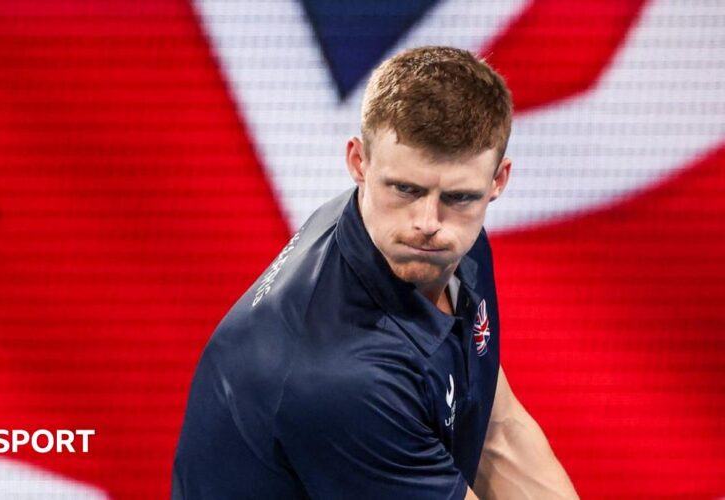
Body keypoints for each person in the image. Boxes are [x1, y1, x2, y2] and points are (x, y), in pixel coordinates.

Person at [172, 46, 578, 499]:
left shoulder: (447, 248)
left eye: (459, 197)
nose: (428, 223)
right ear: (358, 162)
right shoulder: (343, 379)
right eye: (405, 189)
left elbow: (498, 434)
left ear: (497, 182)